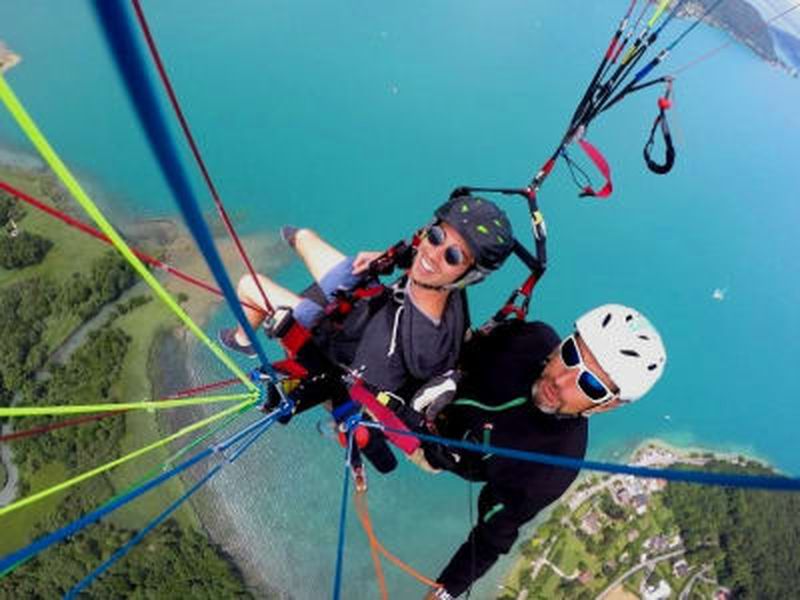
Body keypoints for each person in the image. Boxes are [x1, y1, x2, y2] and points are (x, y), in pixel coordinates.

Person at [218, 196, 515, 467]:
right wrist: (384, 259)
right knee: (303, 237)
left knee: (249, 284)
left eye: (453, 256)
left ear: (468, 274)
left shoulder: (418, 347)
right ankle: (301, 258)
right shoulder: (440, 286)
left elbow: (348, 386)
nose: (434, 253)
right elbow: (418, 255)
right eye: (436, 235)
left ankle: (242, 340)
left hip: (330, 347)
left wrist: (296, 362)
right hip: (364, 311)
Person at [413, 304, 667, 599]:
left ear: (607, 405)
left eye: (590, 385)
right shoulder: (531, 338)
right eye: (571, 354)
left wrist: (443, 593)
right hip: (433, 376)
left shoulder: (549, 470)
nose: (561, 380)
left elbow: (490, 539)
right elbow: (467, 342)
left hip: (433, 444)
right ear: (562, 343)